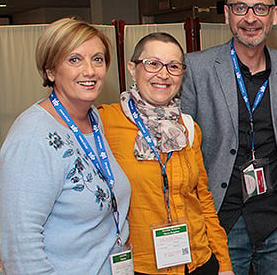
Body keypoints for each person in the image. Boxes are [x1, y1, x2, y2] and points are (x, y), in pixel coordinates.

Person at [181, 0, 277, 275]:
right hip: (221, 220)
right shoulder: (197, 69)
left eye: (260, 8)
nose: (250, 17)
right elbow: (183, 150)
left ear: (274, 15)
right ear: (227, 14)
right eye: (241, 7)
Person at [0, 17, 131, 274]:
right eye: (74, 59)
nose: (90, 70)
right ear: (50, 71)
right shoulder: (33, 134)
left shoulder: (93, 118)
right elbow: (19, 246)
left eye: (98, 59)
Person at [99, 32, 233, 274]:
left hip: (198, 261)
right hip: (142, 266)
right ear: (132, 68)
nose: (163, 74)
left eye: (173, 66)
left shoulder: (188, 128)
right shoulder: (105, 123)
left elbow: (203, 200)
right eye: (152, 64)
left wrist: (223, 263)